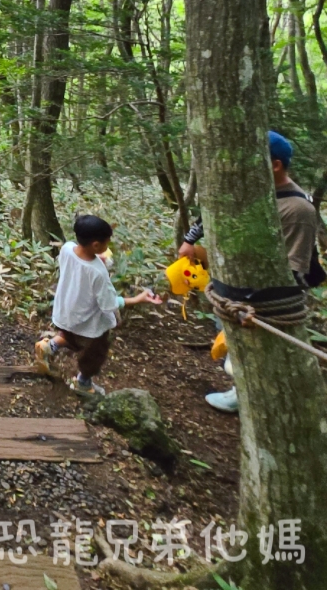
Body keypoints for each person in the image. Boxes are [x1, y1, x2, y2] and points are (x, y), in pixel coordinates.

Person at [186, 130, 327, 413]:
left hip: (259, 305)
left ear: (275, 165)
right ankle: (242, 392)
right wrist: (190, 241)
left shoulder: (297, 209)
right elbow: (212, 211)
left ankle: (253, 400)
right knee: (230, 350)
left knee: (251, 359)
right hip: (231, 293)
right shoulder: (249, 191)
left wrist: (254, 303)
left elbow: (293, 272)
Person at [35, 214, 161, 396]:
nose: (107, 246)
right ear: (96, 245)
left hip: (66, 311)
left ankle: (49, 347)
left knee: (70, 336)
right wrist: (138, 299)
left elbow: (78, 268)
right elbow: (109, 304)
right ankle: (83, 383)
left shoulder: (67, 248)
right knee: (94, 352)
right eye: (106, 243)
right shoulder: (98, 272)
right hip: (88, 321)